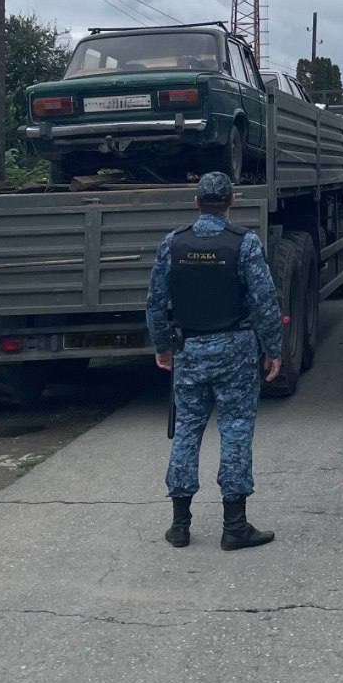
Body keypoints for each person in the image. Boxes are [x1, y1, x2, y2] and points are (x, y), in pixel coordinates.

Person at [146, 171, 283, 550]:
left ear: (196, 202)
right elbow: (265, 302)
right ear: (231, 202)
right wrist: (273, 350)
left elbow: (156, 303)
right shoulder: (244, 243)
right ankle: (234, 526)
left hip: (189, 350)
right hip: (236, 349)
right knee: (236, 431)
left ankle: (179, 525)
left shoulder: (173, 244)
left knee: (187, 430)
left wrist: (162, 346)